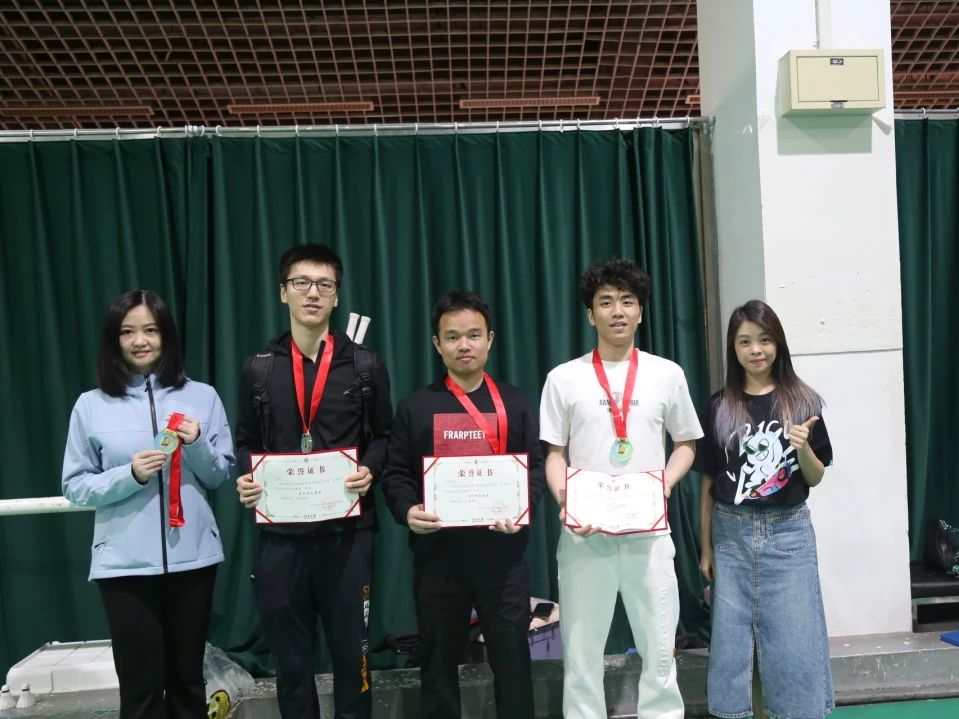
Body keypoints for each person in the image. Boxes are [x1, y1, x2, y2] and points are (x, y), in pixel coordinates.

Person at [234, 243, 392, 719]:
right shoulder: (259, 367)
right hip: (282, 540)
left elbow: (384, 436)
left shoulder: (364, 364)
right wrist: (247, 477)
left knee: (353, 660)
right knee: (291, 666)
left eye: (325, 285)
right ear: (283, 292)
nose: (313, 293)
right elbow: (245, 442)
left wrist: (371, 468)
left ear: (337, 296)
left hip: (348, 537)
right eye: (301, 283)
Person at [540, 258, 702, 719]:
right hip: (584, 538)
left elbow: (686, 445)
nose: (617, 311)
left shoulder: (666, 373)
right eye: (605, 302)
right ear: (590, 314)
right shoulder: (563, 377)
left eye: (627, 302)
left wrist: (663, 485)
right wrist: (567, 500)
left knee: (661, 653)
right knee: (581, 658)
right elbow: (554, 454)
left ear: (641, 312)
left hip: (649, 537)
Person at [62, 289, 235, 719]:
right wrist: (131, 475)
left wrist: (196, 444)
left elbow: (219, 474)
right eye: (128, 332)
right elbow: (75, 486)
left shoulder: (203, 397)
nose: (140, 341)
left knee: (188, 684)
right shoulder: (90, 405)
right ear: (114, 339)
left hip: (194, 560)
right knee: (140, 691)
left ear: (166, 336)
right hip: (124, 568)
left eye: (151, 330)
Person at [382, 290, 545, 719]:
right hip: (439, 558)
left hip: (503, 557)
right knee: (437, 664)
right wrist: (408, 510)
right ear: (437, 344)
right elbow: (395, 474)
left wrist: (522, 508)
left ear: (490, 339)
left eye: (473, 335)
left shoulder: (516, 403)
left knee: (513, 662)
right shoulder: (415, 407)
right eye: (452, 337)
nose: (464, 345)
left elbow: (535, 468)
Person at [697, 299, 834, 719]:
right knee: (731, 650)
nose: (755, 350)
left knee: (795, 643)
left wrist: (803, 448)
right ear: (733, 349)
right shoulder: (719, 407)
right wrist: (706, 549)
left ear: (778, 344)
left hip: (788, 534)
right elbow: (708, 484)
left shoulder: (803, 402)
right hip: (731, 536)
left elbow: (815, 477)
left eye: (764, 340)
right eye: (744, 342)